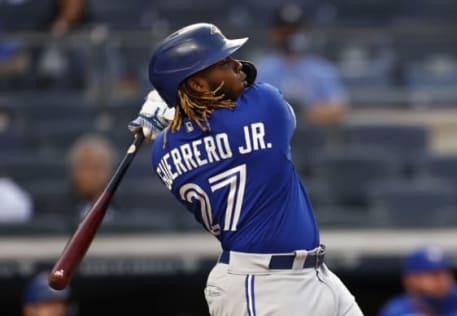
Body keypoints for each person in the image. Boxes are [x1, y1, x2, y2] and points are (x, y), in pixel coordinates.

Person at [128, 23, 363, 315]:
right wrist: (171, 107)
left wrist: (171, 109)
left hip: (304, 274)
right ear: (198, 84)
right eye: (223, 62)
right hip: (264, 286)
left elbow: (202, 127)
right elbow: (249, 96)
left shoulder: (162, 149)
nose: (237, 65)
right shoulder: (265, 106)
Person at [256, 3, 349, 126]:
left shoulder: (321, 69)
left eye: (295, 30)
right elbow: (252, 110)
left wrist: (304, 113)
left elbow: (339, 109)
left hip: (314, 138)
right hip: (274, 138)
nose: (290, 35)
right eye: (285, 30)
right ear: (275, 33)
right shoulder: (262, 69)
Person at [379, 245, 457, 316]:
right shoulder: (396, 310)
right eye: (434, 275)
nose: (443, 280)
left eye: (445, 272)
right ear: (410, 280)